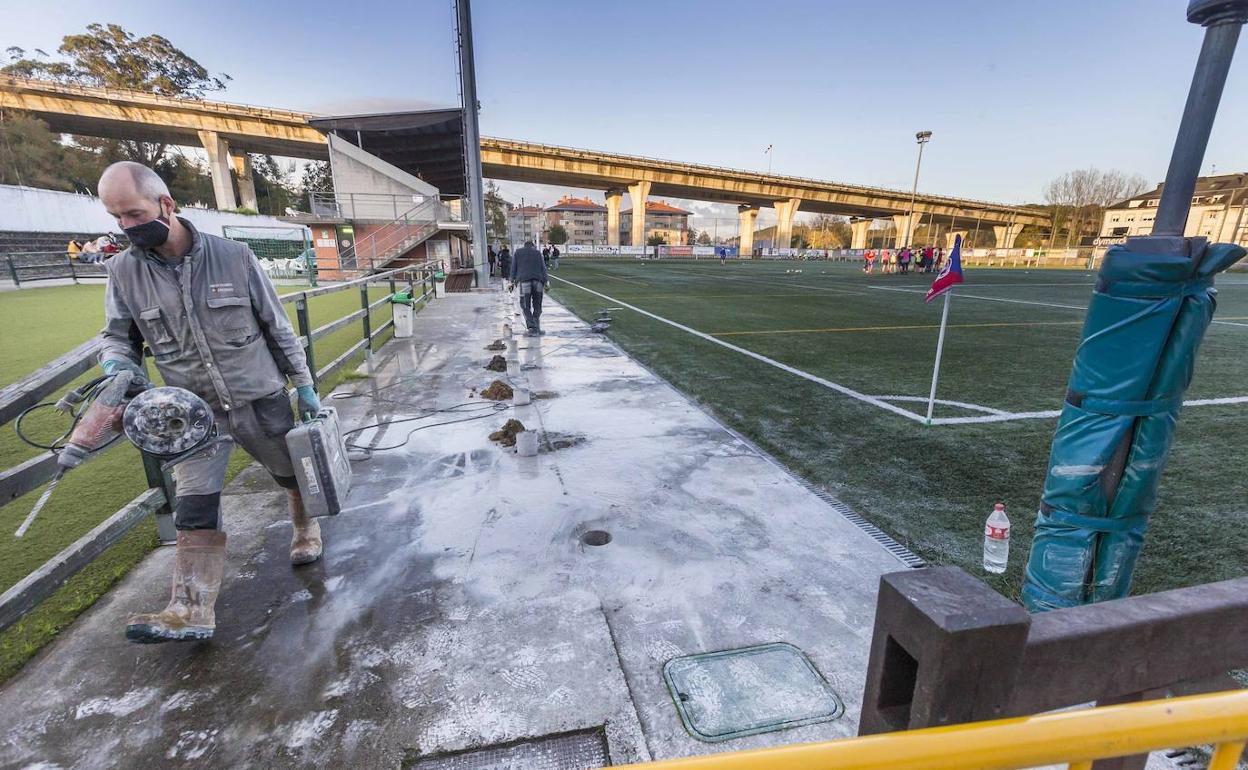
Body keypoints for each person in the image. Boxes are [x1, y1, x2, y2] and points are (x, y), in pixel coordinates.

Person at [95, 161, 323, 644]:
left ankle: (305, 530)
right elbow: (118, 338)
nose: (127, 227)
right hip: (191, 413)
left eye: (134, 214)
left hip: (259, 396)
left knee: (290, 474)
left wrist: (302, 384)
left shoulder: (235, 257)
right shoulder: (122, 273)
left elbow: (277, 326)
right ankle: (190, 607)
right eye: (117, 218)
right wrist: (117, 364)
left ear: (166, 205)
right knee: (194, 506)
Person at [509, 239, 548, 336]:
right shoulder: (538, 253)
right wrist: (546, 281)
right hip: (538, 281)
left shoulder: (518, 253)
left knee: (525, 305)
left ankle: (532, 328)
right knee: (537, 305)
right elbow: (543, 268)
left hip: (524, 281)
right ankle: (536, 328)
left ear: (524, 246)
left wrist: (511, 281)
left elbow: (514, 267)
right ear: (533, 246)